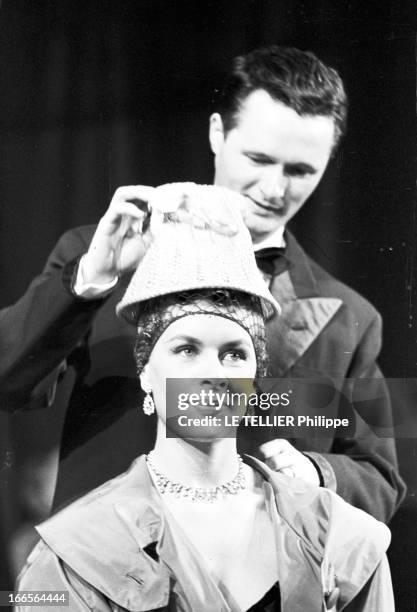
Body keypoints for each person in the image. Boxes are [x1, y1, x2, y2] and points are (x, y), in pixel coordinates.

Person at [0, 46, 405, 523]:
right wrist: (93, 280)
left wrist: (316, 472)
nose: (275, 190)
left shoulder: (351, 316)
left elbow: (383, 479)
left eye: (300, 171)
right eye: (258, 158)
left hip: (256, 584)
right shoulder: (94, 254)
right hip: (103, 568)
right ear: (218, 133)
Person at [16, 187, 394, 611]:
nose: (212, 374)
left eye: (234, 353)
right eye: (186, 350)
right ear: (145, 374)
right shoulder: (75, 552)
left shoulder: (343, 540)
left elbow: (383, 472)